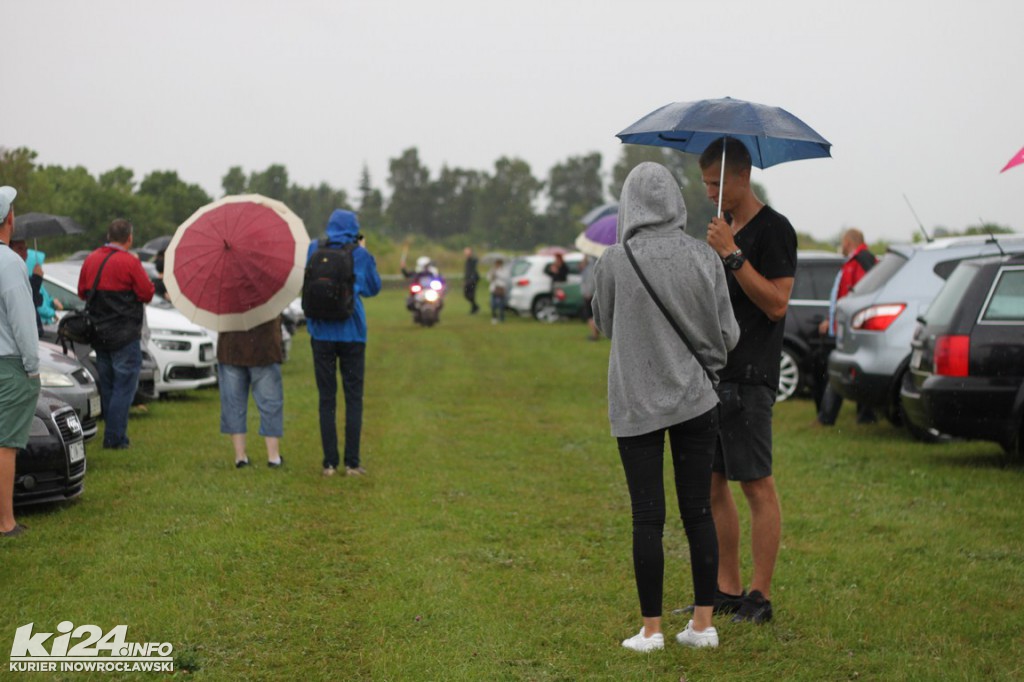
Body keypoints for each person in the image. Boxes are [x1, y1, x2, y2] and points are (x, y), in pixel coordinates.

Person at [592, 162, 739, 652]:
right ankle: (703, 625)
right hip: (697, 400)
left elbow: (606, 323)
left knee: (646, 517)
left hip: (635, 403)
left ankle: (651, 630)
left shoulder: (614, 260)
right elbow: (729, 336)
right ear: (675, 201)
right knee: (699, 511)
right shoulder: (704, 257)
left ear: (628, 203)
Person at [698, 137, 796, 625]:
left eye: (716, 183)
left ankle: (760, 596)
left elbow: (777, 304)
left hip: (752, 377)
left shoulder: (775, 230)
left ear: (743, 176)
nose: (709, 193)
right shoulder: (721, 228)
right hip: (713, 375)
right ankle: (728, 588)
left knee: (757, 487)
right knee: (713, 485)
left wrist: (733, 255)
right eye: (704, 185)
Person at [307, 210, 382, 477]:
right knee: (353, 398)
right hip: (352, 334)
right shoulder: (358, 254)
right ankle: (351, 462)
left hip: (320, 333)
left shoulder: (314, 248)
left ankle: (329, 462)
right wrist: (365, 253)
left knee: (326, 398)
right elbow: (374, 288)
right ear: (354, 229)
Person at [78, 219, 155, 450]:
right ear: (129, 238)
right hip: (125, 334)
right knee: (125, 386)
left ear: (108, 235)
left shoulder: (91, 259)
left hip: (99, 334)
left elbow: (82, 292)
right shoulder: (129, 262)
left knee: (109, 385)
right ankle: (115, 437)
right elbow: (147, 293)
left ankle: (113, 434)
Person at [0, 186, 41, 537]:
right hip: (9, 363)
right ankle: (6, 522)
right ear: (8, 219)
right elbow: (23, 322)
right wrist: (32, 367)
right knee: (5, 444)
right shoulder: (11, 263)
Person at [817, 229, 877, 426]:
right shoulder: (860, 261)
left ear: (849, 241)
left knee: (838, 373)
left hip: (850, 329)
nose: (841, 246)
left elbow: (857, 296)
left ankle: (828, 417)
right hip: (845, 326)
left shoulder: (858, 262)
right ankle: (864, 415)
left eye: (843, 241)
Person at [218, 318, 285, 469]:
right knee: (270, 402)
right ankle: (273, 456)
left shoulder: (224, 294)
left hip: (230, 344)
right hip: (264, 346)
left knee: (233, 403)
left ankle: (240, 457)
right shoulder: (267, 293)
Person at [579, 255, 600, 341]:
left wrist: (588, 292)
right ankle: (595, 332)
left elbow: (590, 281)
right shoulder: (595, 264)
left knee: (589, 315)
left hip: (590, 293)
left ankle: (594, 335)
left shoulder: (590, 266)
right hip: (593, 292)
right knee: (593, 314)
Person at [487, 258, 510, 324]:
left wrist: (497, 275)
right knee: (493, 304)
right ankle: (494, 317)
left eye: (498, 263)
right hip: (493, 289)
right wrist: (492, 276)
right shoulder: (492, 270)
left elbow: (506, 278)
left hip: (501, 288)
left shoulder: (504, 270)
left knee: (501, 304)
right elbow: (488, 278)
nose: (497, 265)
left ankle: (502, 317)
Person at [463, 247, 480, 314]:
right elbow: (467, 272)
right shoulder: (467, 261)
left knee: (472, 295)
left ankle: (474, 308)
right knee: (466, 295)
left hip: (472, 280)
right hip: (468, 280)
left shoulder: (472, 260)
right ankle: (475, 306)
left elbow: (476, 260)